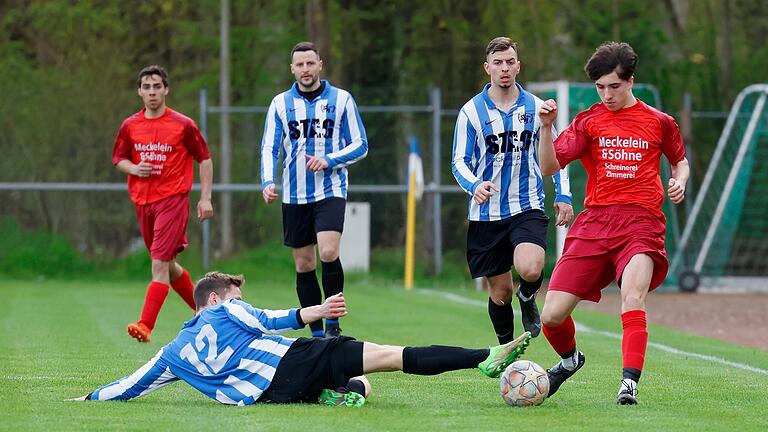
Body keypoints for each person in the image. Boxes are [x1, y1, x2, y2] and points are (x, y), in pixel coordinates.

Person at [69, 272, 532, 407]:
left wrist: (88, 396)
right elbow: (277, 318)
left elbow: (132, 384)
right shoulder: (226, 309)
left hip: (265, 395)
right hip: (291, 360)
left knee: (361, 386)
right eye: (235, 292)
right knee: (392, 357)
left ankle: (333, 393)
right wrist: (319, 311)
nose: (239, 298)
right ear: (212, 300)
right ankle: (484, 357)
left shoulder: (174, 353)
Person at [536, 42, 689, 405]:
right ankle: (570, 359)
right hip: (595, 224)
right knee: (552, 315)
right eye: (600, 87)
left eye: (614, 87)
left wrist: (680, 179)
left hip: (642, 223)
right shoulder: (589, 122)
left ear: (630, 81)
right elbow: (548, 167)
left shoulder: (660, 121)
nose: (607, 94)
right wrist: (546, 129)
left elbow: (679, 160)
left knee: (632, 296)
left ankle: (629, 384)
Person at [451, 37, 574, 345]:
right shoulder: (470, 112)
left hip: (527, 206)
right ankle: (506, 348)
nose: (504, 69)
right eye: (498, 63)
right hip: (487, 213)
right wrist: (475, 185)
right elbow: (458, 162)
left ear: (518, 66)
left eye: (509, 62)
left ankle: (529, 295)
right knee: (500, 294)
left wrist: (563, 195)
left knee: (530, 268)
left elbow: (558, 155)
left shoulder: (536, 108)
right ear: (487, 68)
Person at [260, 41, 368, 338]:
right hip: (294, 194)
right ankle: (317, 331)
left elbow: (360, 145)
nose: (305, 70)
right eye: (300, 65)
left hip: (330, 189)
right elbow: (269, 146)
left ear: (320, 64)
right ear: (292, 69)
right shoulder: (280, 104)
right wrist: (268, 181)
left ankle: (333, 323)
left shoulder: (342, 100)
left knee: (329, 251)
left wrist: (329, 160)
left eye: (310, 63)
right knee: (304, 262)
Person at [112, 65, 214, 343]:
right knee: (167, 265)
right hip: (143, 202)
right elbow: (119, 158)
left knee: (158, 264)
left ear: (166, 89)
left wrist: (205, 198)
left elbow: (204, 158)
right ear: (139, 91)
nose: (152, 92)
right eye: (147, 87)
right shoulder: (130, 125)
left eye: (157, 86)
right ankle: (204, 309)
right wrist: (134, 169)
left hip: (172, 200)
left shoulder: (183, 124)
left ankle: (145, 324)